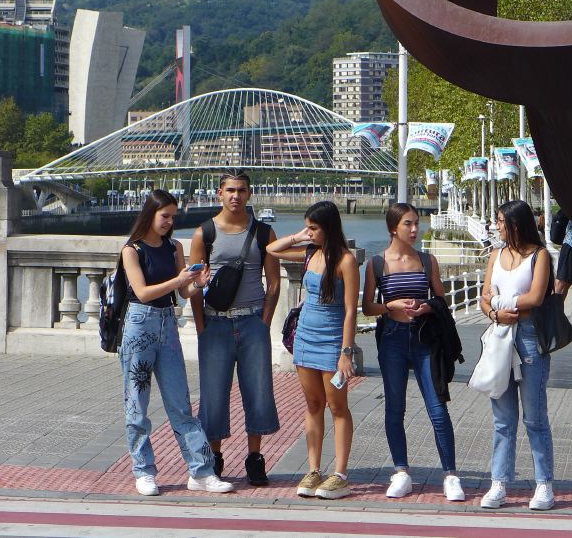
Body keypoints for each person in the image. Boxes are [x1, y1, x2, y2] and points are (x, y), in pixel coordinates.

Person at [119, 190, 231, 496]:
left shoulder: (174, 247)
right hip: (139, 325)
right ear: (150, 214)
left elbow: (182, 295)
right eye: (164, 216)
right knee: (136, 405)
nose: (170, 222)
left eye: (173, 216)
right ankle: (143, 471)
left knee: (181, 404)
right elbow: (141, 292)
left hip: (168, 324)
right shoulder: (132, 250)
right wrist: (179, 281)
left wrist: (197, 284)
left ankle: (201, 472)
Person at [362, 203, 464, 502]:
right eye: (408, 224)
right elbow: (368, 307)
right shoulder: (377, 264)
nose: (415, 229)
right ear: (393, 228)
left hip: (423, 339)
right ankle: (401, 471)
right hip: (392, 338)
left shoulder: (427, 260)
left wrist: (427, 306)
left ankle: (450, 474)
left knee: (437, 407)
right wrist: (390, 306)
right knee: (395, 408)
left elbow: (441, 299)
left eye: (416, 223)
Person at [189, 171, 280, 485]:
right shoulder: (205, 233)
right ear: (219, 194)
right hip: (215, 324)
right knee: (213, 393)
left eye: (242, 190)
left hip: (253, 321)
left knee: (258, 391)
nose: (236, 196)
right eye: (230, 190)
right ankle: (214, 456)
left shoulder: (264, 233)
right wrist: (201, 325)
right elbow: (194, 283)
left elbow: (274, 283)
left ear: (250, 194)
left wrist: (264, 322)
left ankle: (255, 458)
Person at [267, 201, 359, 500]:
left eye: (314, 228)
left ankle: (341, 474)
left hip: (332, 341)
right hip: (305, 338)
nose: (310, 232)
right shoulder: (310, 253)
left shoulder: (345, 260)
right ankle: (314, 468)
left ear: (329, 228)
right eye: (308, 227)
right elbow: (272, 250)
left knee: (337, 406)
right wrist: (298, 236)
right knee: (313, 404)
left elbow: (349, 311)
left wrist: (346, 352)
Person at [478, 199, 555, 511]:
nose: (497, 227)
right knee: (502, 418)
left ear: (517, 224)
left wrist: (500, 303)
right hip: (500, 335)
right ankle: (499, 482)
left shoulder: (540, 256)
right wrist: (495, 313)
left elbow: (536, 297)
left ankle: (544, 483)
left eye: (501, 221)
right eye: (497, 221)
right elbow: (483, 298)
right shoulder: (495, 255)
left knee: (535, 417)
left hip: (528, 337)